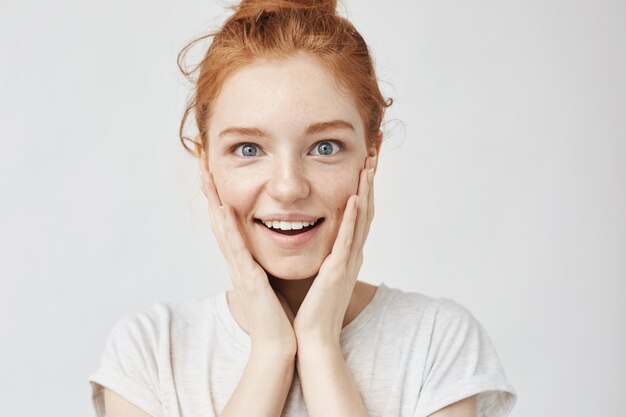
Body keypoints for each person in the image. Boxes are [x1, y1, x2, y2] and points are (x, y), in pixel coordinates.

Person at [88, 1, 517, 416]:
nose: (289, 187)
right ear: (206, 163)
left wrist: (320, 347)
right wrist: (271, 353)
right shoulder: (149, 354)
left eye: (324, 147)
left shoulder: (437, 343)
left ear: (372, 155)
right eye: (248, 148)